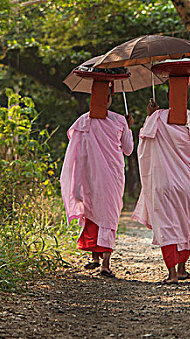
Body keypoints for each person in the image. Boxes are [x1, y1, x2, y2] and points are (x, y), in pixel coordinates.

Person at [132, 95, 190, 285]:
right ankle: (182, 268)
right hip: (187, 184)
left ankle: (173, 274)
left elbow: (144, 145)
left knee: (166, 226)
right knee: (184, 225)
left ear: (170, 96)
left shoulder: (157, 117)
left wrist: (149, 116)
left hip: (161, 183)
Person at [61, 80, 134, 278]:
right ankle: (105, 264)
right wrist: (129, 127)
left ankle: (95, 257)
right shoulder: (119, 120)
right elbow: (128, 150)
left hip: (88, 175)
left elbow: (75, 144)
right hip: (112, 177)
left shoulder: (83, 121)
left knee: (92, 211)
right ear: (109, 100)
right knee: (108, 215)